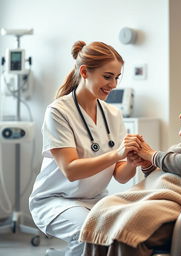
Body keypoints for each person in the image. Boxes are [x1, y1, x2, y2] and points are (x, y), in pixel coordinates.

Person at [80, 87, 181, 256]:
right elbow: (171, 180)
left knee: (132, 223)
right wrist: (148, 164)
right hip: (164, 203)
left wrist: (152, 155)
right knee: (104, 209)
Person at [29, 41, 143, 256]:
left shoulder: (113, 114)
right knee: (88, 234)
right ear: (84, 72)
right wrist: (117, 154)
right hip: (56, 200)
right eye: (107, 77)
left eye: (117, 77)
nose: (113, 84)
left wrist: (131, 162)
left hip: (96, 200)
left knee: (130, 233)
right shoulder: (59, 111)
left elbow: (120, 175)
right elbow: (71, 170)